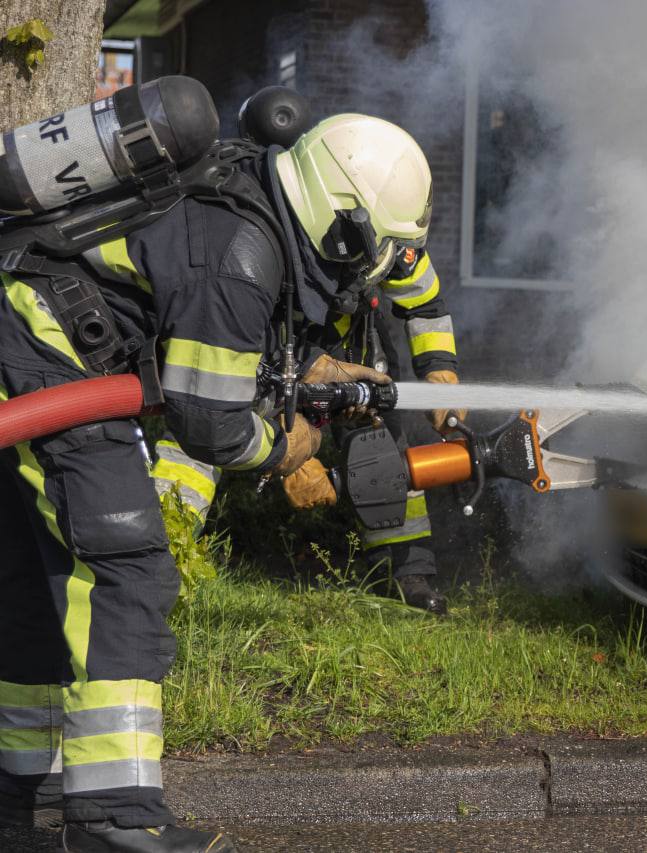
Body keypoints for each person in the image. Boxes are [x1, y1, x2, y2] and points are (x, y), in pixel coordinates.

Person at [0, 111, 432, 852]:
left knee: (40, 572)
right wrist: (285, 448)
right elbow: (209, 423)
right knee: (126, 568)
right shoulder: (242, 252)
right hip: (44, 355)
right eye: (382, 251)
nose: (378, 269)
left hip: (28, 336)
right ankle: (113, 819)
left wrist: (318, 371)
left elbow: (214, 328)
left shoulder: (249, 199)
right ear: (347, 229)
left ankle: (20, 790)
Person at [152, 239, 461, 615]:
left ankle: (404, 573)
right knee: (201, 428)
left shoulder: (393, 232)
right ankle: (158, 556)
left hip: (351, 343)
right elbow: (244, 331)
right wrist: (288, 453)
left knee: (383, 452)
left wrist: (440, 370)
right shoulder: (266, 237)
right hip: (269, 342)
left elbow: (425, 303)